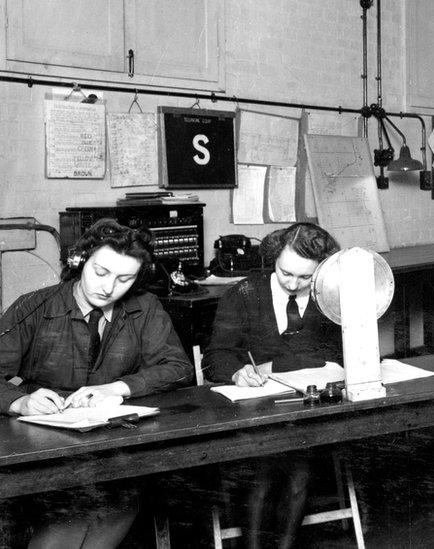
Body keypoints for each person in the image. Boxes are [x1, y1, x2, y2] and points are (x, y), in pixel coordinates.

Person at [0, 218, 193, 548]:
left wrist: (117, 388)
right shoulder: (33, 306)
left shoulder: (145, 308)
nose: (108, 287)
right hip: (47, 451)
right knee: (67, 526)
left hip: (115, 451)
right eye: (100, 272)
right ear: (79, 262)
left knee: (112, 509)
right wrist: (19, 401)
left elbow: (178, 368)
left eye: (124, 278)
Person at [203, 222, 342, 549]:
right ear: (272, 260)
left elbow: (337, 356)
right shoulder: (244, 294)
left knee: (298, 475)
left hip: (311, 410)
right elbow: (214, 358)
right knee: (266, 474)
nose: (294, 284)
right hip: (257, 412)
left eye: (306, 277)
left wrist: (277, 365)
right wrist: (238, 371)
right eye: (285, 273)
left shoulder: (330, 297)